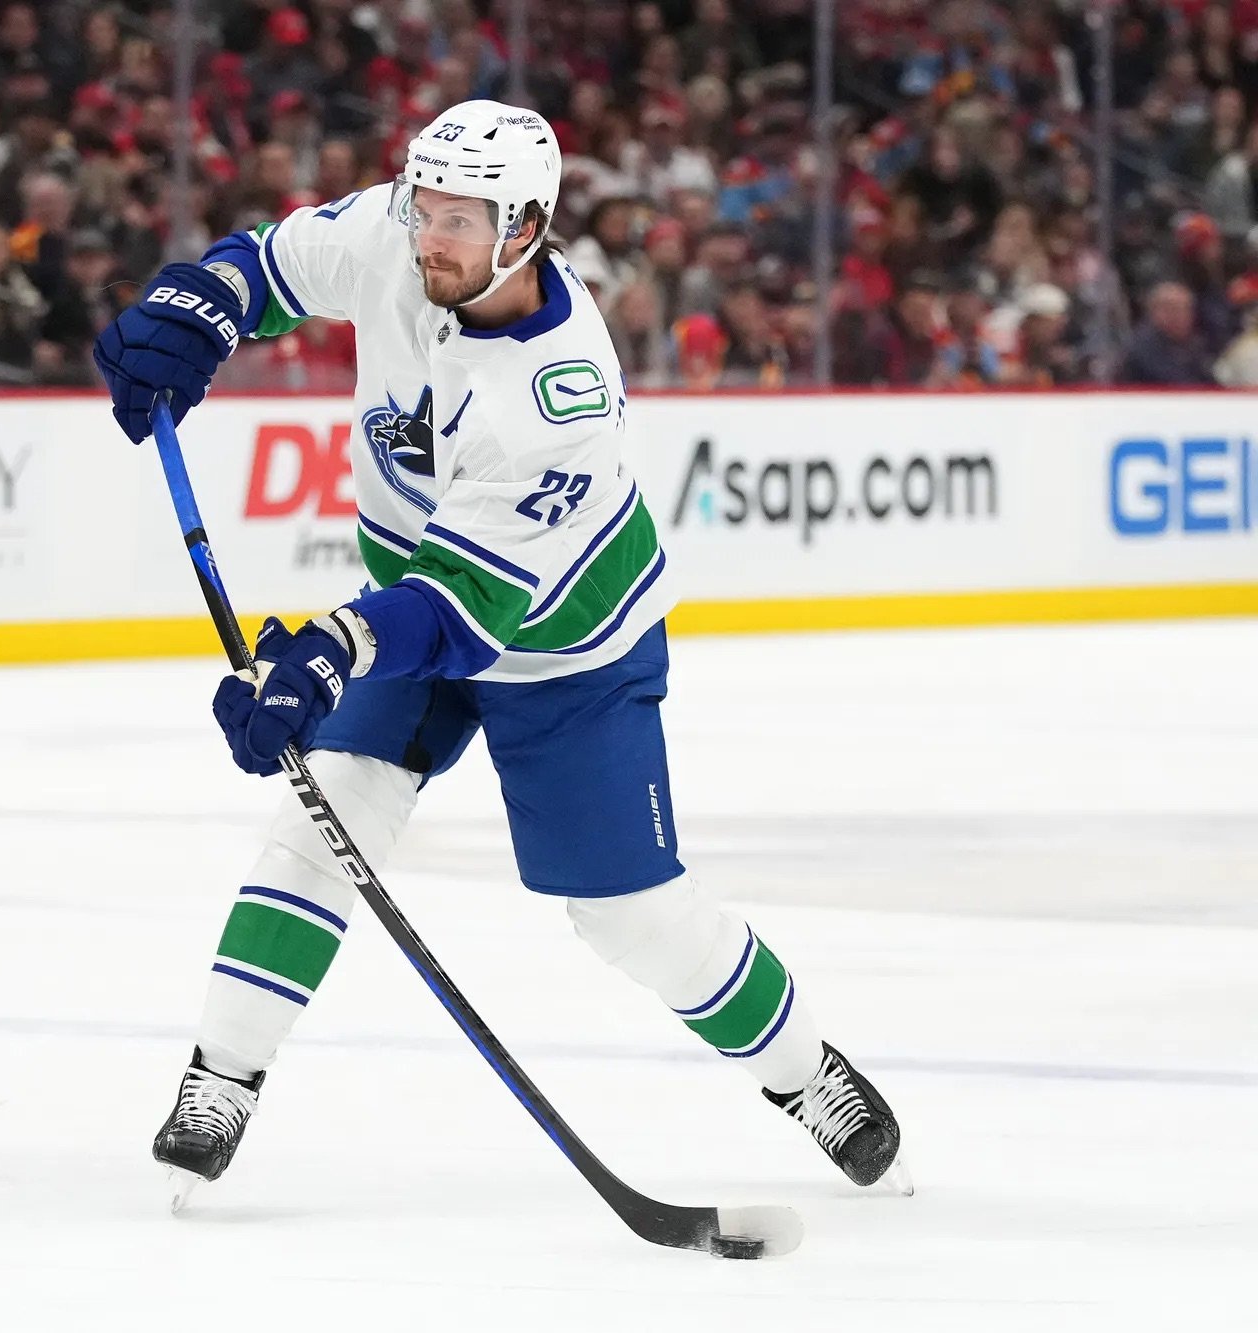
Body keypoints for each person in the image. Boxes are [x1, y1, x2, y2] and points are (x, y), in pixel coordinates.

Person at [94, 99, 906, 1208]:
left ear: (524, 228)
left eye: (459, 221)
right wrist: (195, 311)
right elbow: (270, 267)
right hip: (414, 602)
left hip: (564, 645)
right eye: (424, 207)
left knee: (632, 918)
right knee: (318, 821)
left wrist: (329, 654)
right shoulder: (400, 233)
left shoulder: (553, 390)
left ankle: (805, 1074)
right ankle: (220, 1075)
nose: (428, 234)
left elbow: (465, 608)